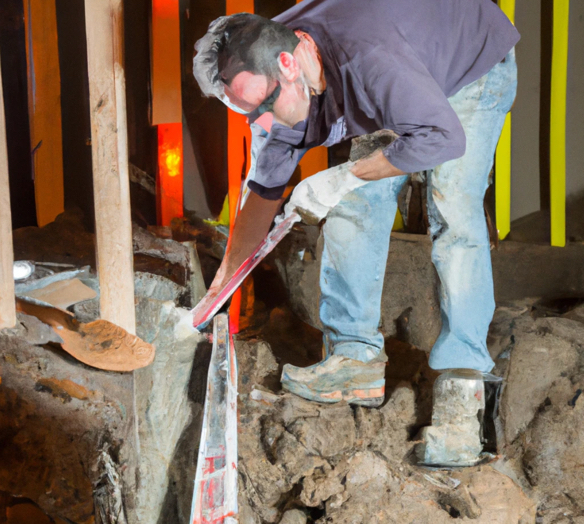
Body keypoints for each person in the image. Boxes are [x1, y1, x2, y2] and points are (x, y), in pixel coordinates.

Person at [192, 0, 518, 426]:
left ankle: (464, 376)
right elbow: (262, 197)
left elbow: (443, 137)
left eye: (265, 108)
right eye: (248, 114)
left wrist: (342, 178)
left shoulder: (368, 59)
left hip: (469, 62)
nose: (263, 125)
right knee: (356, 203)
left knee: (451, 203)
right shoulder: (267, 76)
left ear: (289, 64)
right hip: (399, 61)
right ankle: (354, 359)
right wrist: (214, 299)